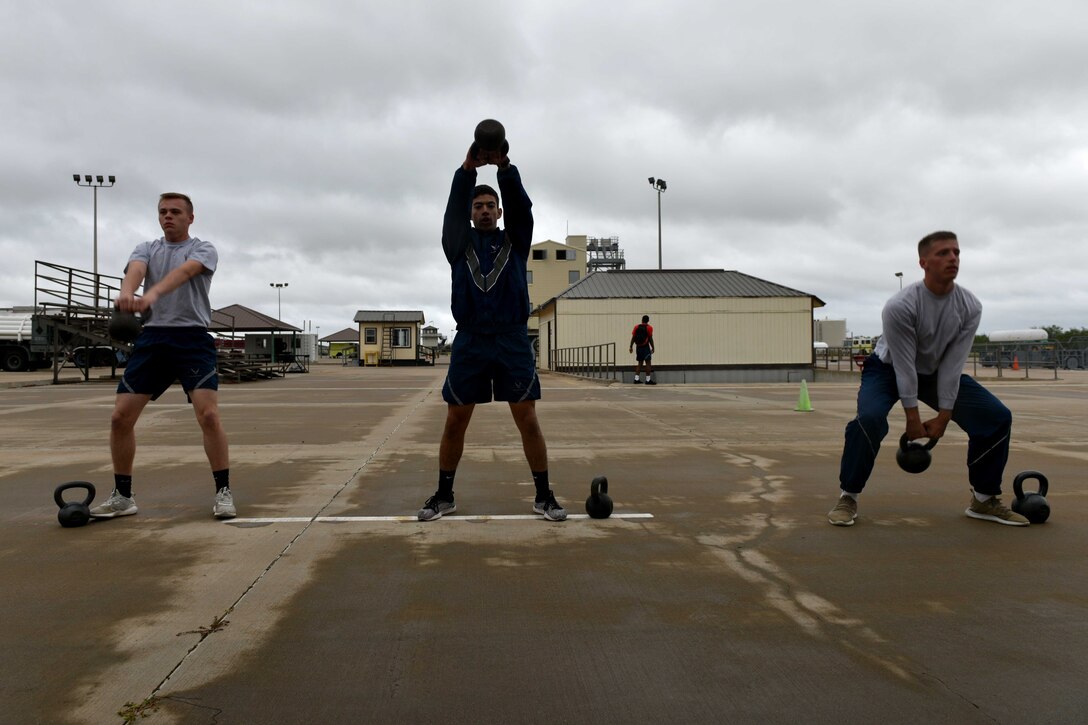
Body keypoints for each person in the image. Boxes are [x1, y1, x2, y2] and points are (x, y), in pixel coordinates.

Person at [828, 231, 1026, 527]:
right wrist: (912, 418)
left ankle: (984, 500)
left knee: (996, 417)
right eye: (943, 253)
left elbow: (952, 364)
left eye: (956, 253)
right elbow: (904, 366)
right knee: (868, 420)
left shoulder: (970, 306)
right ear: (923, 262)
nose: (953, 258)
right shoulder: (901, 305)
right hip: (887, 369)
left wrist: (944, 415)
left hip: (934, 372)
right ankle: (848, 497)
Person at [417, 134, 567, 522]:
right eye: (478, 206)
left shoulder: (516, 241)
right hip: (470, 340)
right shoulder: (457, 244)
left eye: (490, 206)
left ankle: (543, 495)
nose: (484, 211)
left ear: (499, 212)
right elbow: (451, 211)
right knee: (455, 420)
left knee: (527, 418)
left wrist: (504, 168)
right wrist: (467, 170)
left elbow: (523, 208)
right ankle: (444, 495)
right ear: (471, 212)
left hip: (512, 339)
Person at [90, 192, 236, 520]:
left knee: (209, 416)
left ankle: (223, 491)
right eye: (162, 212)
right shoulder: (146, 248)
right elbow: (137, 271)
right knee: (119, 418)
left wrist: (152, 294)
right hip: (153, 338)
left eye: (175, 212)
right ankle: (123, 497)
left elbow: (184, 273)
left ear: (190, 218)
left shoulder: (203, 248)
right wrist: (127, 295)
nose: (167, 216)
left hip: (191, 339)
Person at [629, 314, 655, 384]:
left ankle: (636, 379)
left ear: (642, 320)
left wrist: (631, 346)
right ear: (648, 321)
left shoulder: (636, 327)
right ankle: (648, 380)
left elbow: (633, 338)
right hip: (645, 347)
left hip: (638, 347)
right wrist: (653, 347)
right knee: (648, 363)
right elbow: (650, 338)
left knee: (640, 363)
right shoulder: (649, 328)